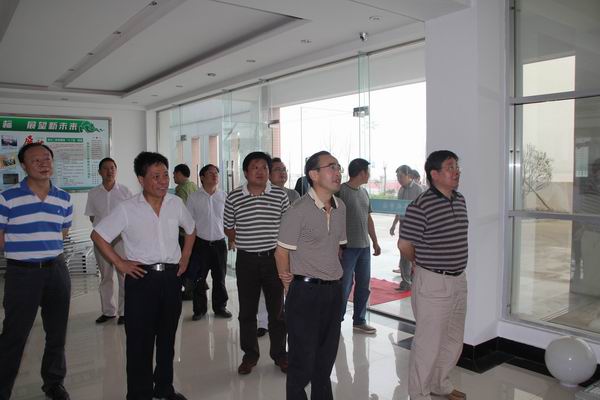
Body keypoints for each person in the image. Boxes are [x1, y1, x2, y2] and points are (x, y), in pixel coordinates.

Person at [91, 152, 195, 400]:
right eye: (156, 176)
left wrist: (185, 257)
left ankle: (164, 388)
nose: (163, 181)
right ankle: (140, 394)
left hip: (170, 278)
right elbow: (98, 235)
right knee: (139, 341)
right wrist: (120, 263)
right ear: (141, 179)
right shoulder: (127, 208)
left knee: (167, 338)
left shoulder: (175, 203)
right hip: (141, 279)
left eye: (165, 175)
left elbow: (191, 229)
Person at [0, 143, 73, 400]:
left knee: (57, 333)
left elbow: (63, 233)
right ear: (23, 165)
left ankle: (54, 383)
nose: (44, 164)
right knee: (14, 334)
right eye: (36, 160)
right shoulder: (7, 198)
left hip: (57, 271)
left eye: (47, 158)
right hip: (23, 273)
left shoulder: (63, 198)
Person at [275, 150, 347, 400]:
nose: (337, 172)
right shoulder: (298, 210)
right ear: (314, 175)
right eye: (331, 167)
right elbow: (281, 251)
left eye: (338, 167)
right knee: (302, 361)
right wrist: (288, 284)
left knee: (326, 359)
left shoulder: (341, 207)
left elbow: (337, 247)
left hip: (334, 290)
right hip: (305, 292)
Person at [398, 150, 468, 400]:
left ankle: (440, 384)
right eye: (450, 167)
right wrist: (421, 262)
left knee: (453, 338)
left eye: (457, 166)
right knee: (428, 343)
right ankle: (419, 393)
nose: (456, 171)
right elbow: (404, 245)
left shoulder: (459, 200)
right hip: (433, 281)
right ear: (434, 174)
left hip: (459, 279)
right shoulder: (421, 205)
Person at [224, 151, 290, 375]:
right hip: (247, 260)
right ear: (246, 172)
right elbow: (228, 227)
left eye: (264, 167)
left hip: (273, 259)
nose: (260, 171)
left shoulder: (280, 196)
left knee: (277, 311)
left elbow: (287, 227)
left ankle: (280, 354)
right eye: (255, 167)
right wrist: (244, 240)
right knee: (247, 311)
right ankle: (250, 355)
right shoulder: (234, 197)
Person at [85, 157, 133, 325]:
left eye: (112, 168)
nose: (109, 171)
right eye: (105, 168)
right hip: (101, 240)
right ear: (99, 172)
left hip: (121, 239)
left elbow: (131, 216)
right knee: (105, 276)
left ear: (116, 170)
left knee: (124, 276)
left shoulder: (125, 191)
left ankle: (125, 312)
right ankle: (108, 311)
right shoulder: (93, 193)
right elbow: (92, 216)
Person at [255, 157, 300, 337]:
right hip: (269, 249)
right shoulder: (262, 194)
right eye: (277, 170)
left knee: (289, 284)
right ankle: (263, 322)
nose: (282, 173)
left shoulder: (294, 195)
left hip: (291, 249)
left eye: (284, 169)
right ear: (268, 174)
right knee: (264, 288)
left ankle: (289, 318)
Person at [338, 158, 381, 334]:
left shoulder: (364, 192)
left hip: (364, 247)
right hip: (347, 248)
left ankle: (359, 320)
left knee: (364, 285)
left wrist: (375, 241)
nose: (369, 175)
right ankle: (336, 320)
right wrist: (337, 245)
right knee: (344, 285)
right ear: (362, 172)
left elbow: (368, 218)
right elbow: (333, 219)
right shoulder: (341, 191)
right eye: (368, 171)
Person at [186, 164, 232, 320]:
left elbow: (229, 220)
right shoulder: (193, 197)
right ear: (202, 177)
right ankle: (199, 310)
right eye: (210, 173)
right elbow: (189, 223)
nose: (214, 175)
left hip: (219, 244)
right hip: (200, 244)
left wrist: (232, 239)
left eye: (216, 173)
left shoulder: (224, 196)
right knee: (199, 278)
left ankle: (220, 307)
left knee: (220, 278)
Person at [389, 165, 424, 291]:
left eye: (401, 176)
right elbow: (399, 209)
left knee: (414, 254)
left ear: (409, 176)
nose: (399, 179)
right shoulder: (401, 190)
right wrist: (394, 225)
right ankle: (405, 282)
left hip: (415, 225)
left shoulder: (418, 190)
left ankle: (415, 282)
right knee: (403, 253)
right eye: (397, 177)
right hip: (403, 224)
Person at [173, 163, 198, 300]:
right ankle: (195, 287)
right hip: (195, 232)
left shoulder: (181, 190)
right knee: (193, 261)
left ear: (180, 174)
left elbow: (180, 215)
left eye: (174, 174)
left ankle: (188, 290)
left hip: (185, 233)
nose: (173, 176)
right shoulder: (194, 186)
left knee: (184, 261)